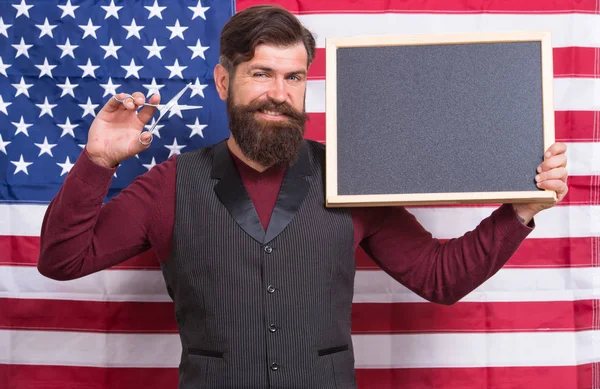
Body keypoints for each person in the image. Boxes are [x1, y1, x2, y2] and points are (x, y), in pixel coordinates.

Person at [37, 4, 569, 389]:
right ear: (224, 81)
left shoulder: (351, 175)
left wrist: (520, 210)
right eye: (261, 74)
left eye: (294, 77)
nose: (279, 92)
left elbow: (440, 277)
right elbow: (62, 261)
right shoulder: (169, 184)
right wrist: (98, 163)